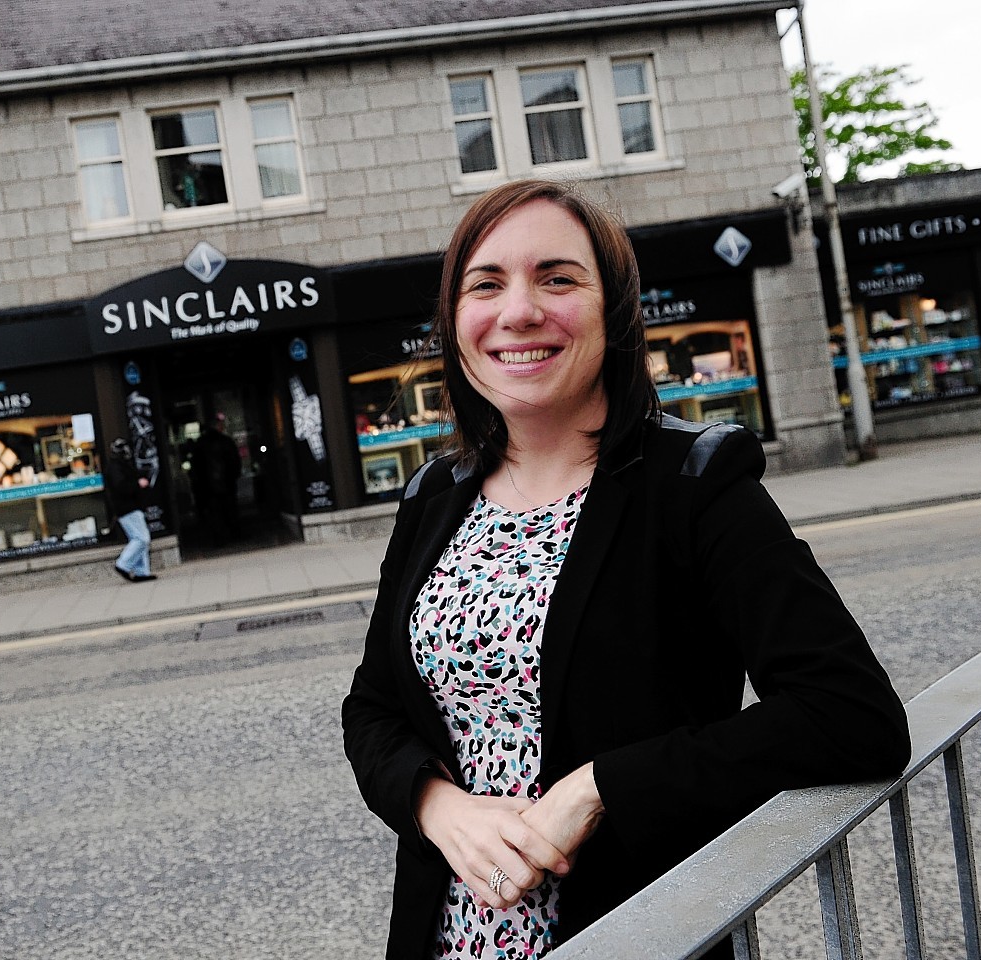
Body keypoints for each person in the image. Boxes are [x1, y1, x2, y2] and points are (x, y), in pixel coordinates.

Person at [340, 179, 910, 959]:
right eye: (486, 284)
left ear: (614, 310)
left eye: (558, 277)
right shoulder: (433, 498)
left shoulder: (693, 486)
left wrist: (603, 786)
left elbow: (850, 715)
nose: (518, 312)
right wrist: (437, 805)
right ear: (455, 321)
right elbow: (372, 708)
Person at [102, 437, 155, 583]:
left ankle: (141, 572)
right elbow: (121, 487)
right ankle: (123, 564)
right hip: (127, 507)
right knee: (142, 538)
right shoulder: (116, 467)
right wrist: (138, 484)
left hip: (129, 507)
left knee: (137, 538)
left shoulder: (119, 466)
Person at [191, 413, 242, 546]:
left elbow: (196, 466)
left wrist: (199, 483)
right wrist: (233, 476)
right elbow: (234, 462)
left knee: (215, 512)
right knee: (230, 509)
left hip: (208, 485)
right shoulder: (226, 441)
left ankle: (219, 537)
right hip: (226, 482)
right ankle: (234, 533)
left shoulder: (200, 443)